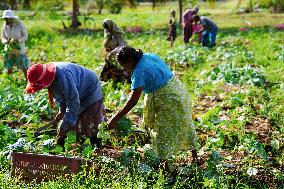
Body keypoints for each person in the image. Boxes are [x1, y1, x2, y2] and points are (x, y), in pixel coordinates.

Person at [108, 46, 198, 163]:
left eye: (123, 64)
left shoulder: (139, 73)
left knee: (161, 132)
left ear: (130, 61)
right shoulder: (148, 56)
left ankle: (165, 166)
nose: (123, 68)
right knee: (185, 122)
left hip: (167, 99)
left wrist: (115, 118)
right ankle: (195, 156)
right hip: (178, 90)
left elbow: (133, 101)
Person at [25, 62, 106, 147]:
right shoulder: (51, 78)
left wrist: (64, 127)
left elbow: (73, 102)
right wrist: (62, 111)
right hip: (77, 91)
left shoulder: (63, 75)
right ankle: (79, 143)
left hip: (89, 89)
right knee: (73, 122)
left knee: (90, 120)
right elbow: (62, 97)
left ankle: (97, 144)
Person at [1, 10, 29, 77]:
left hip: (19, 51)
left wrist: (18, 40)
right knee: (9, 67)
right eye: (5, 19)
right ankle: (10, 83)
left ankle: (28, 81)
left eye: (7, 19)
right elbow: (2, 36)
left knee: (24, 67)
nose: (5, 20)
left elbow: (25, 36)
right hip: (9, 50)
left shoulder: (19, 25)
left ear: (11, 18)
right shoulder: (5, 25)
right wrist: (5, 41)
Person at [100, 19, 128, 83]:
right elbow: (106, 44)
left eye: (108, 27)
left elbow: (122, 46)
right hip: (110, 56)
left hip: (119, 55)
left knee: (120, 71)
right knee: (106, 71)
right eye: (106, 28)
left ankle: (121, 82)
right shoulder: (107, 34)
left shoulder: (118, 35)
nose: (107, 29)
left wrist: (113, 52)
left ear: (111, 26)